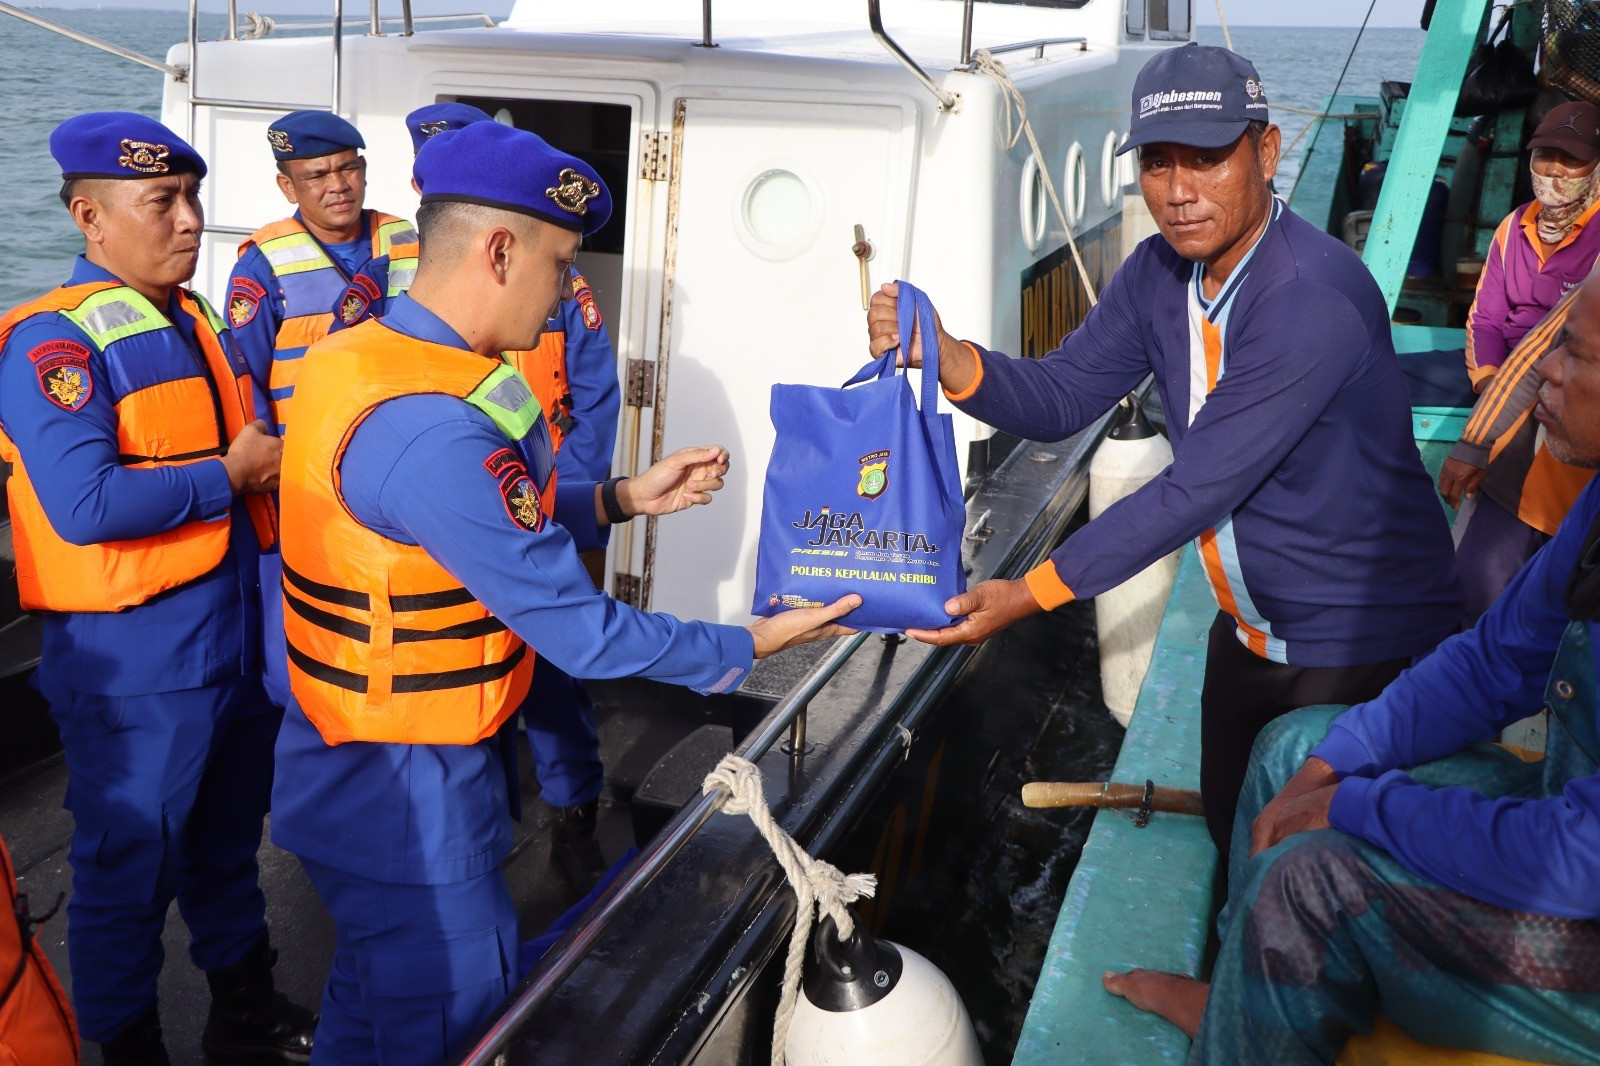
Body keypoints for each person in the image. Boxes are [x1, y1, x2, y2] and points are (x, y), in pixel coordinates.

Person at [269, 119, 855, 1064]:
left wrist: (620, 496)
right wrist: (751, 642)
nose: (567, 292)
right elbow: (584, 636)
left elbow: (473, 523)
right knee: (459, 1013)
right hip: (401, 788)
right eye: (560, 264)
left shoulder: (382, 355)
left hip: (360, 754)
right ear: (499, 250)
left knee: (374, 992)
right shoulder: (433, 423)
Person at [867, 43, 1462, 860]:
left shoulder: (1308, 299)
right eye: (1156, 162)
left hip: (1356, 640)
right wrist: (950, 356)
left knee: (1314, 864)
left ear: (1267, 150)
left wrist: (1025, 594)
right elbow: (1065, 394)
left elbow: (1192, 491)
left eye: (1208, 159)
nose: (1178, 192)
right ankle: (1222, 984)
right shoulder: (1156, 273)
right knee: (1230, 829)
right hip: (1249, 627)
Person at [1102, 272, 1600, 1065]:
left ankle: (1243, 1034)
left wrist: (1363, 809)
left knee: (1308, 884)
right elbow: (1493, 663)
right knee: (1293, 750)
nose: (1545, 369)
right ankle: (1244, 995)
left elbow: (1582, 860)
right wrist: (1335, 769)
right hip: (1567, 817)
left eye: (1573, 353)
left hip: (1584, 909)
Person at [0, 112, 315, 1064]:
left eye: (192, 197)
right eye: (162, 202)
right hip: (136, 666)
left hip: (229, 640)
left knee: (227, 844)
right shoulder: (53, 345)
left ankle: (243, 1002)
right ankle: (128, 1044)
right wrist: (232, 474)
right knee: (126, 870)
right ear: (90, 218)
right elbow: (86, 502)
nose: (189, 221)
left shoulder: (197, 318)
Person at [336, 102, 627, 897]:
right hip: (441, 514)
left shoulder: (550, 278)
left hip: (536, 490)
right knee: (469, 665)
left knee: (554, 673)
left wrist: (581, 494)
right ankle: (487, 814)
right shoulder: (391, 280)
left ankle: (572, 813)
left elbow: (594, 391)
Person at [1441, 101, 1600, 623]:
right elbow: (1483, 319)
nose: (1552, 170)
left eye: (1570, 159)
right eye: (1544, 155)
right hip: (1502, 382)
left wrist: (1482, 435)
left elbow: (1547, 350)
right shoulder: (1515, 227)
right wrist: (1489, 386)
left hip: (1560, 397)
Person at [226, 110, 415, 435]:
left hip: (401, 440)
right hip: (309, 453)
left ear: (364, 170)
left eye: (348, 168)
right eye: (317, 176)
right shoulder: (261, 267)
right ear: (288, 187)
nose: (338, 186)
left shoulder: (405, 239)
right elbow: (245, 384)